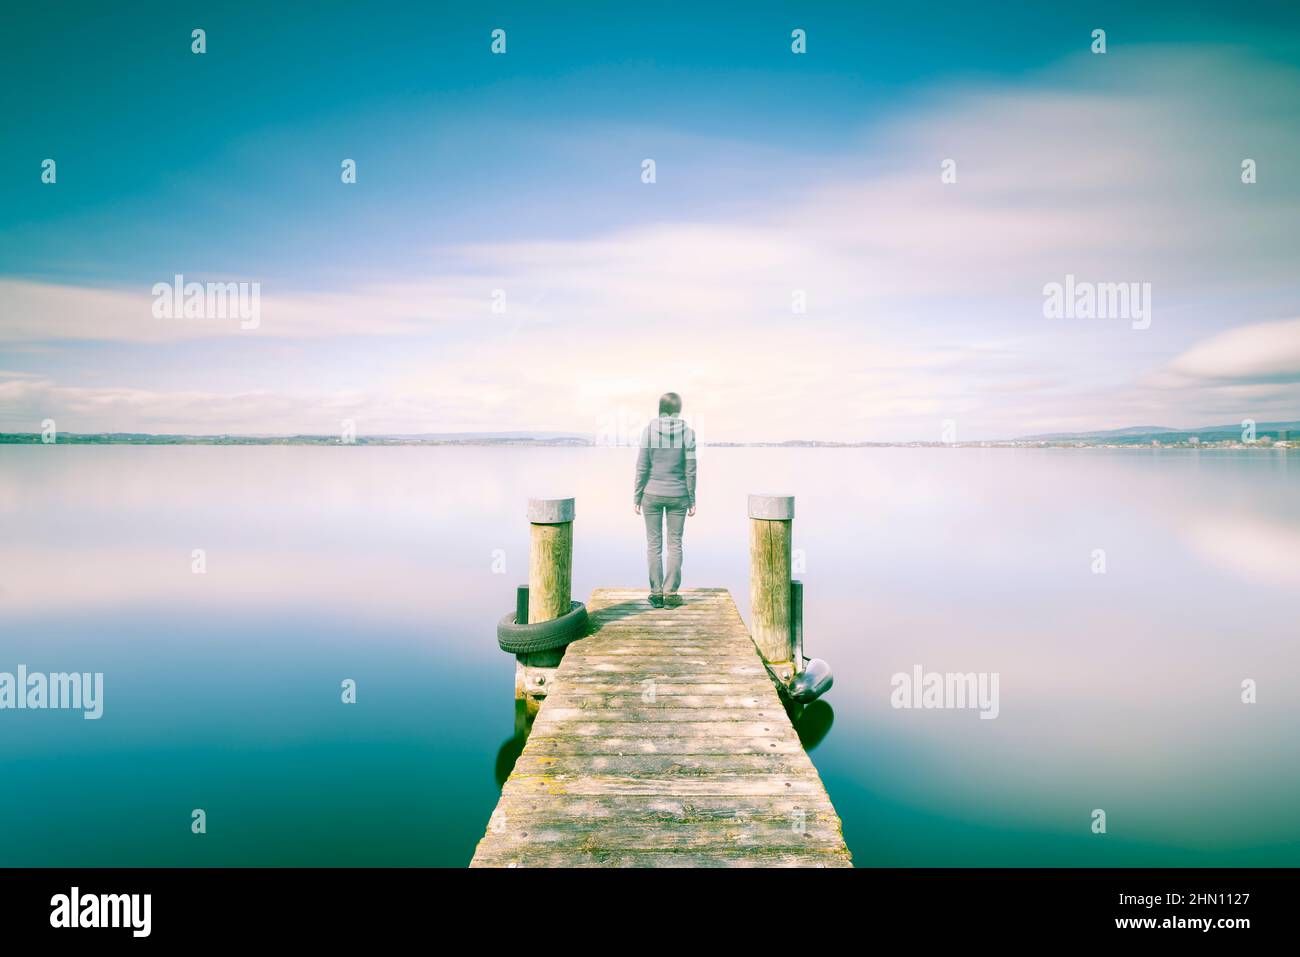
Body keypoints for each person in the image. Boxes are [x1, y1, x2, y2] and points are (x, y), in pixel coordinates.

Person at [633, 392, 697, 608]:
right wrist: (692, 497)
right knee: (675, 544)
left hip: (651, 494)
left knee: (654, 545)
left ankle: (656, 593)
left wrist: (636, 496)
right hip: (679, 495)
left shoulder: (648, 431)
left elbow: (642, 466)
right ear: (679, 409)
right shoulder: (688, 433)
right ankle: (670, 594)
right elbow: (691, 469)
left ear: (660, 408)